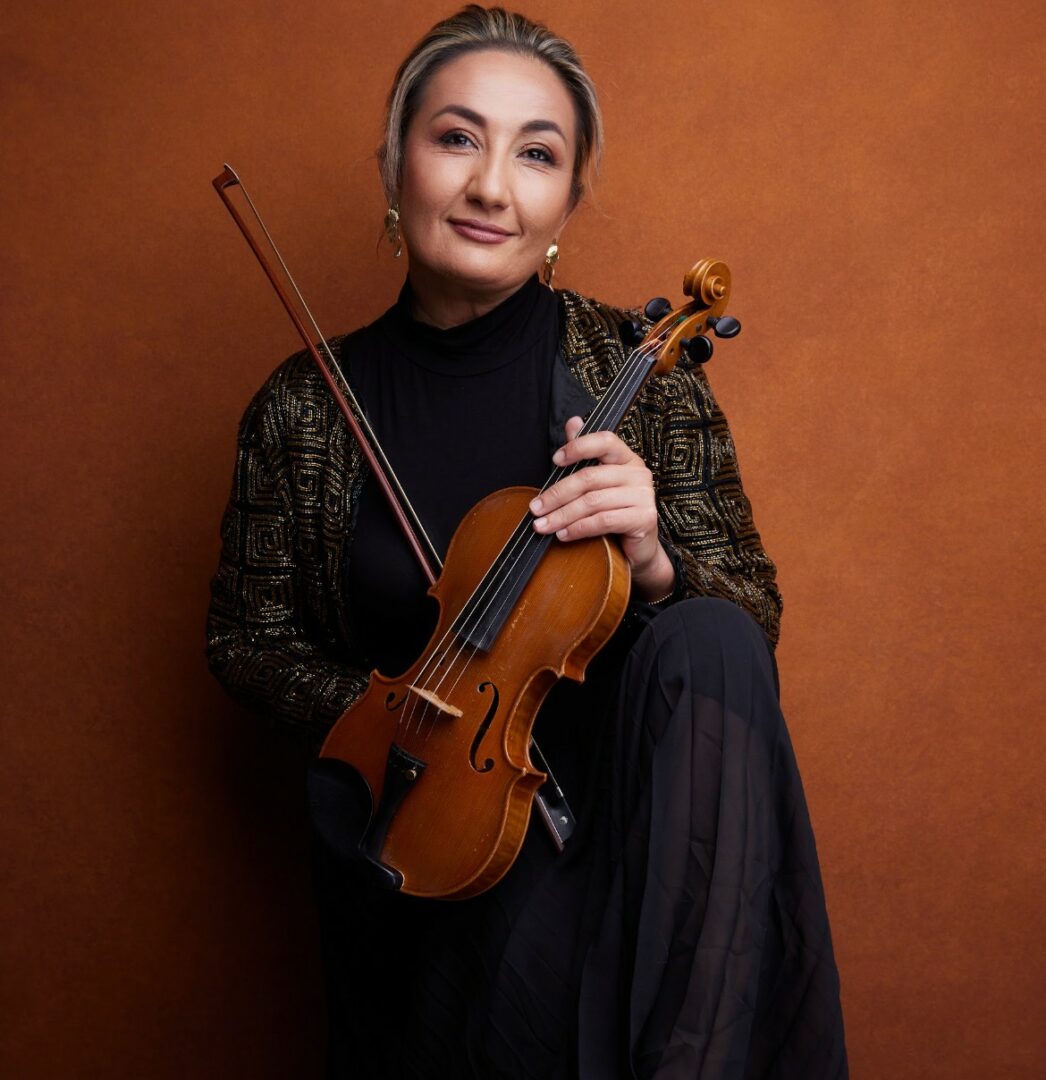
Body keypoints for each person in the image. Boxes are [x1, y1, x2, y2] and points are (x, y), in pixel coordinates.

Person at [206, 6, 847, 1077]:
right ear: (394, 164)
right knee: (516, 963)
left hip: (650, 832)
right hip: (443, 840)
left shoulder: (638, 376)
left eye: (536, 154)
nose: (491, 187)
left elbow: (751, 624)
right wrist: (396, 709)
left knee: (713, 639)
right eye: (457, 138)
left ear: (567, 202)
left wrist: (654, 563)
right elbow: (248, 640)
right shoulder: (302, 406)